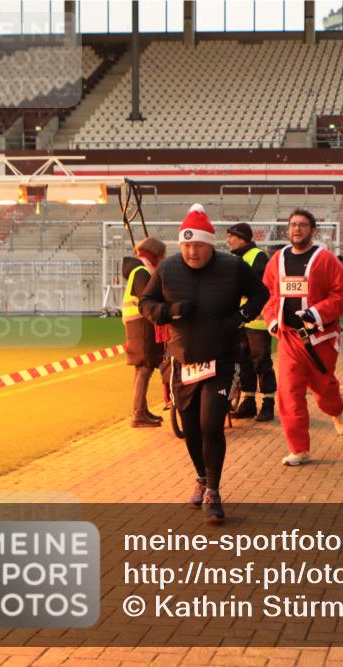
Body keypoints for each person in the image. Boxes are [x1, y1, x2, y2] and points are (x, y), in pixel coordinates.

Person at [140, 204, 266, 525]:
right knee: (191, 429)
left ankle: (213, 490)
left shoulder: (232, 267)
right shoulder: (168, 269)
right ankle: (200, 476)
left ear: (211, 244)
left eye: (198, 245)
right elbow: (147, 303)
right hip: (184, 362)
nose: (192, 252)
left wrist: (240, 317)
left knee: (211, 424)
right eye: (186, 245)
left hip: (221, 359)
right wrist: (170, 312)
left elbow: (260, 294)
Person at [262, 209, 343, 466]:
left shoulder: (326, 260)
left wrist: (316, 312)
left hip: (320, 339)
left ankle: (337, 410)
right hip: (289, 338)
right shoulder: (277, 260)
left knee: (324, 391)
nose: (297, 229)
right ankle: (299, 449)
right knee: (289, 393)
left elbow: (341, 295)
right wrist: (273, 320)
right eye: (293, 225)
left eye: (302, 225)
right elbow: (268, 294)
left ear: (313, 230)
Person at [226, 222, 277, 422]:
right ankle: (248, 403)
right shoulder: (235, 258)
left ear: (242, 238)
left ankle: (268, 404)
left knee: (262, 363)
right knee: (244, 363)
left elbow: (258, 288)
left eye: (232, 236)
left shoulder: (258, 257)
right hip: (241, 321)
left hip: (257, 321)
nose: (228, 240)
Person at [121, 237, 168, 428]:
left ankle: (141, 409)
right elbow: (147, 301)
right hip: (141, 325)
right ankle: (139, 413)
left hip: (136, 324)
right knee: (144, 368)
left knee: (141, 367)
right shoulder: (142, 272)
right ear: (155, 254)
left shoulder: (138, 270)